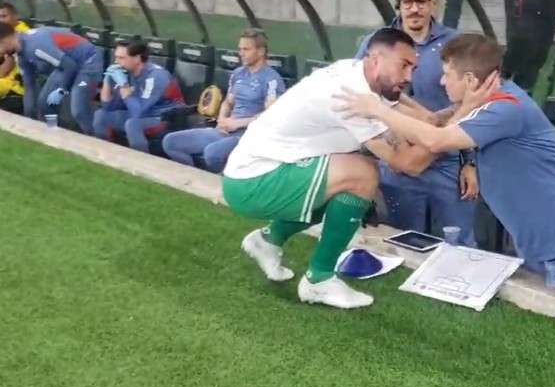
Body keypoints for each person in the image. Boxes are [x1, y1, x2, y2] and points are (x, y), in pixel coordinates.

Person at [336, 33, 555, 298]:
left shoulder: (506, 108)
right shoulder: (488, 104)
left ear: (472, 80)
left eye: (447, 75)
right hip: (537, 239)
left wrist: (375, 109)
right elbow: (438, 120)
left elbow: (437, 140)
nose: (441, 82)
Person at [222, 28, 442, 310]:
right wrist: (449, 132)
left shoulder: (357, 72)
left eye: (413, 67)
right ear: (376, 59)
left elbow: (398, 103)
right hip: (252, 183)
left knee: (345, 191)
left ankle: (269, 240)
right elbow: (408, 164)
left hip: (253, 172)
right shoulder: (350, 98)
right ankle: (319, 280)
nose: (409, 77)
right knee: (363, 174)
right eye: (403, 66)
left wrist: (429, 120)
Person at [355, 0, 480, 248]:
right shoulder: (376, 44)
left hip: (448, 163)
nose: (414, 9)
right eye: (407, 1)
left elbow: (469, 105)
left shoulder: (454, 44)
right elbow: (363, 95)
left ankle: (461, 289)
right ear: (398, 3)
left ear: (434, 3)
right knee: (406, 242)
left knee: (459, 242)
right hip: (398, 164)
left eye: (422, 1)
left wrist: (469, 163)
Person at [163, 29, 285, 173]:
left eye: (246, 49)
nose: (241, 53)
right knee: (170, 142)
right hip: (226, 129)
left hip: (247, 136)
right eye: (240, 49)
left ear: (260, 51)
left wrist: (236, 124)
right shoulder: (238, 73)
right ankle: (194, 180)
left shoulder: (271, 79)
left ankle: (225, 185)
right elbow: (228, 101)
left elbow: (269, 116)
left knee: (212, 153)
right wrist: (222, 120)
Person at [0, 22, 103, 131]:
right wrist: (29, 118)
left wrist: (61, 90)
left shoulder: (34, 46)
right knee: (45, 104)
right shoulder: (21, 55)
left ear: (4, 41)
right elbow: (29, 86)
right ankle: (53, 133)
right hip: (65, 65)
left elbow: (70, 65)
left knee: (79, 111)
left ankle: (97, 142)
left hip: (87, 60)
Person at [93, 38, 185, 152]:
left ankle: (140, 162)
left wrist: (123, 85)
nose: (116, 62)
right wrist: (107, 80)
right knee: (101, 115)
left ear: (137, 58)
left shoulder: (156, 76)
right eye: (116, 57)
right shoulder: (126, 72)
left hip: (164, 118)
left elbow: (139, 112)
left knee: (133, 124)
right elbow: (108, 107)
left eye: (121, 58)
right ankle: (104, 155)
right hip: (140, 114)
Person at [0, 3, 30, 115]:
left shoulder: (21, 36)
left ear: (15, 16)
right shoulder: (4, 34)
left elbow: (5, 69)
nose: (1, 20)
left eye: (4, 16)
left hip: (13, 87)